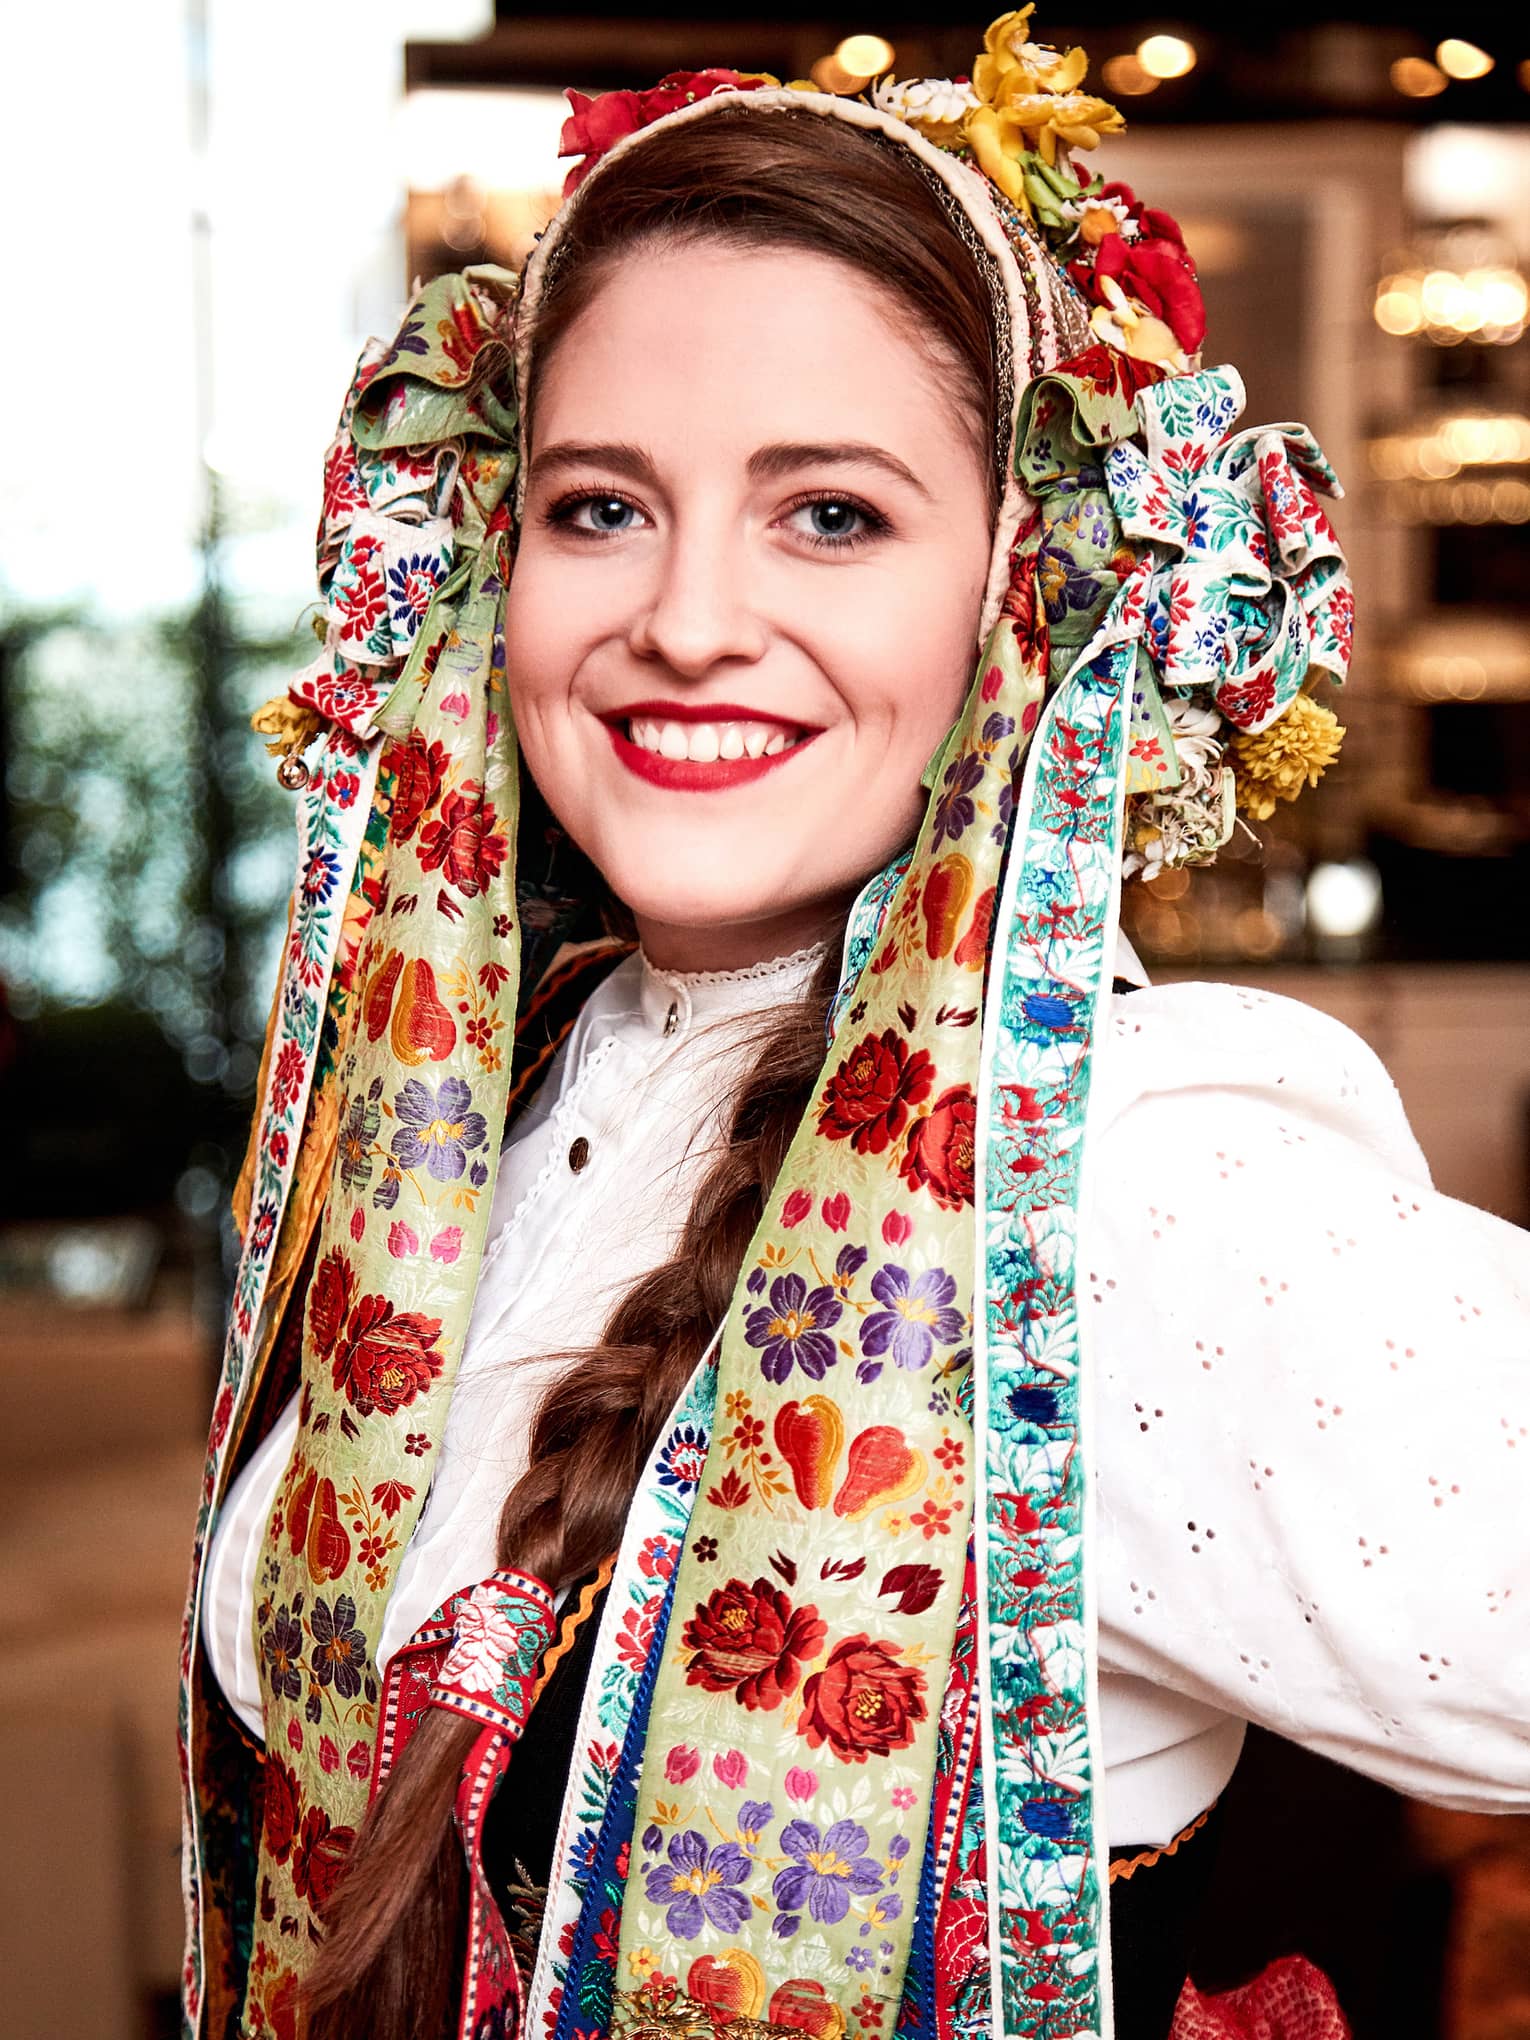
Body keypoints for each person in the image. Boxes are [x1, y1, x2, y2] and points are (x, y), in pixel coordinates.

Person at [180, 16, 1530, 2040]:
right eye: (600, 507)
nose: (689, 618)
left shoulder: (1125, 1178)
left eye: (830, 515)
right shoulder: (478, 1103)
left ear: (1022, 586)